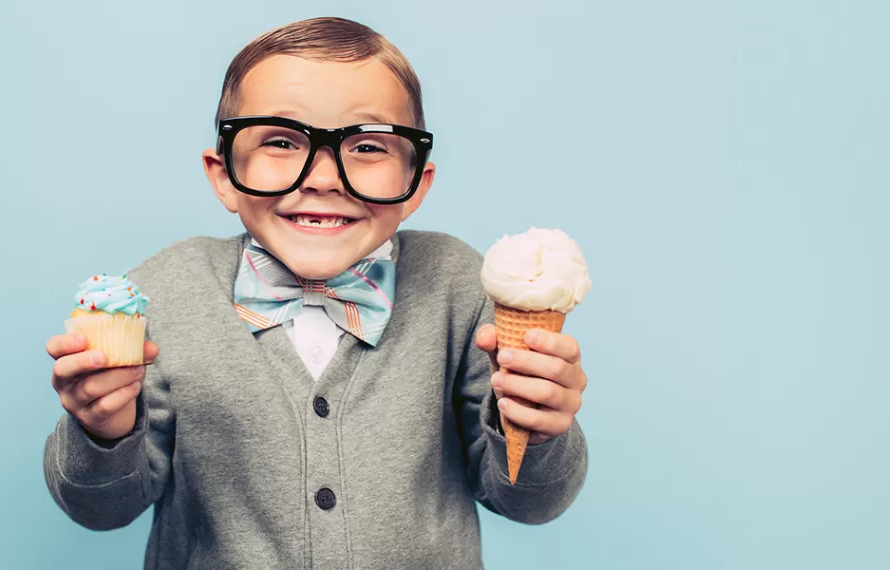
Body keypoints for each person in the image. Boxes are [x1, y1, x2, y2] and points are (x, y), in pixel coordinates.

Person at [43, 16, 589, 569]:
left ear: (415, 184)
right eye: (281, 141)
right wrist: (102, 432)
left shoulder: (457, 286)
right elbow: (101, 510)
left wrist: (541, 432)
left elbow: (528, 502)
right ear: (224, 174)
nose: (324, 178)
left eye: (368, 146)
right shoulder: (164, 292)